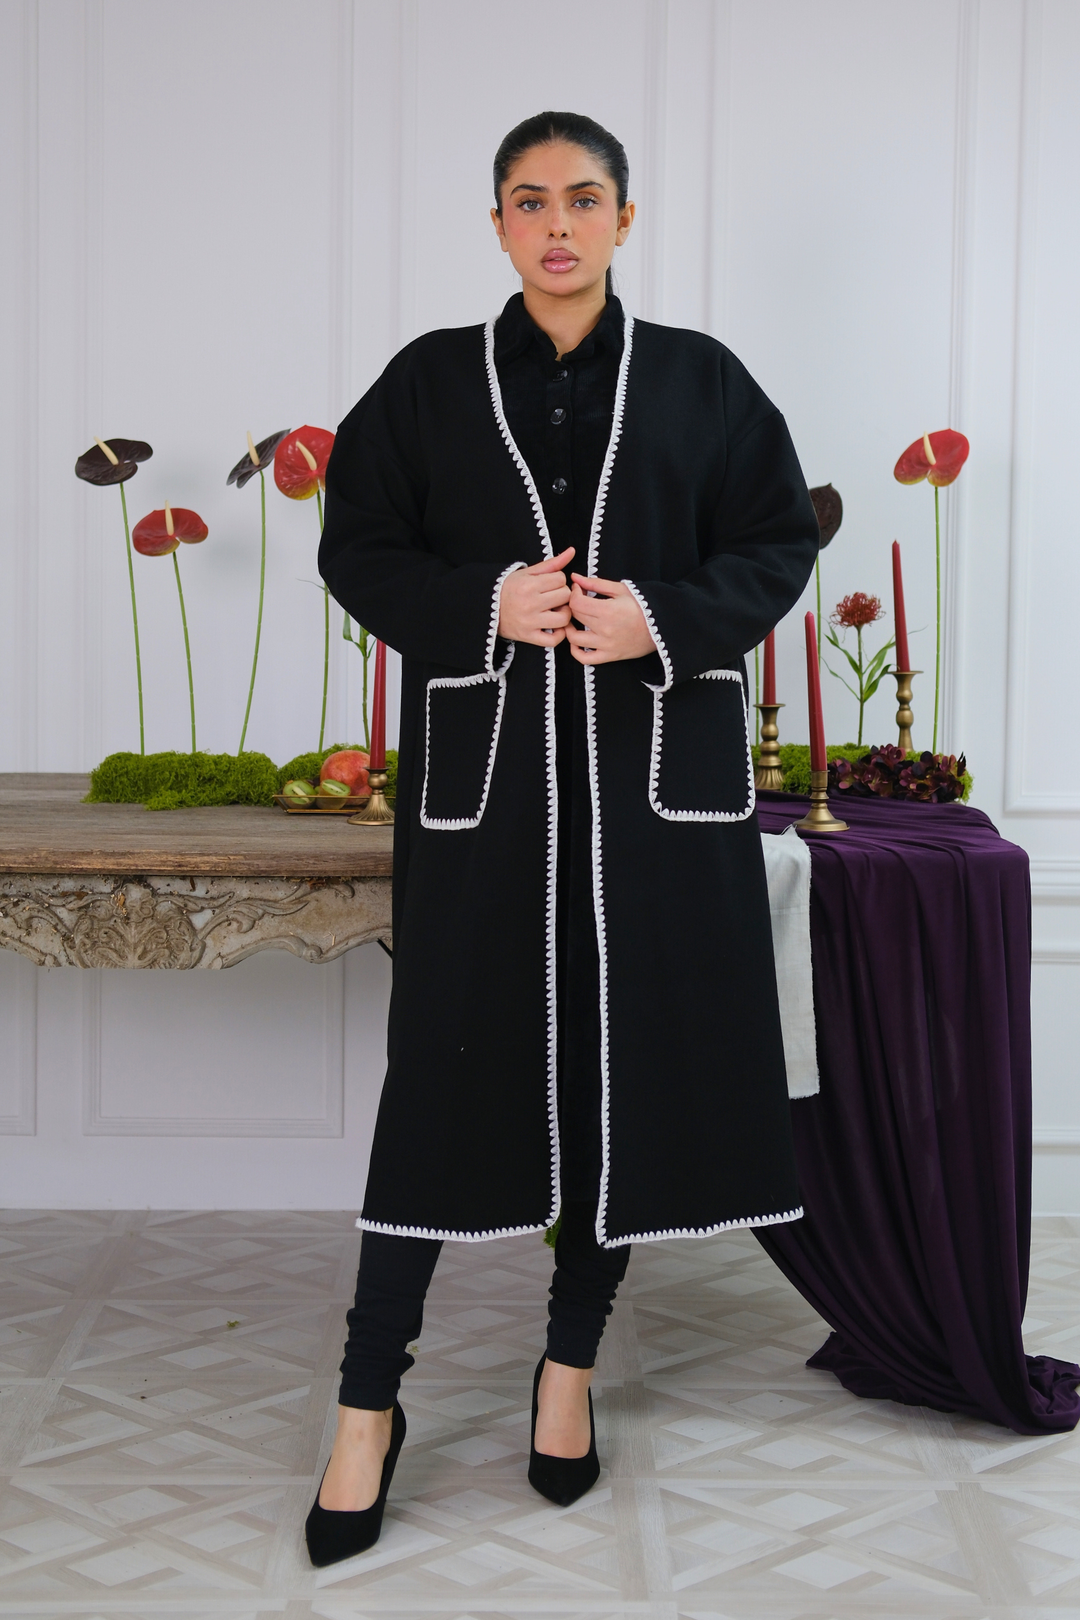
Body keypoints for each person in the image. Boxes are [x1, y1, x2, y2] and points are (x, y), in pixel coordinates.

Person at [308, 110, 818, 1567]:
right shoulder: (426, 383)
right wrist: (485, 604)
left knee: (620, 1078)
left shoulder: (705, 382)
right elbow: (360, 546)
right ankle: (366, 1401)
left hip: (654, 788)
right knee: (438, 1076)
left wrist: (663, 618)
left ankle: (570, 1366)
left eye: (583, 199)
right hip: (487, 794)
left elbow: (776, 543)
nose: (557, 225)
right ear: (497, 224)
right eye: (529, 201)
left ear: (623, 219)